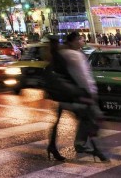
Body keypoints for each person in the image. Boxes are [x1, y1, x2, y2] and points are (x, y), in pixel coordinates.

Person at [45, 32, 106, 161]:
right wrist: (91, 93)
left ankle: (52, 146)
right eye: (80, 39)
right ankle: (87, 147)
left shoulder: (60, 54)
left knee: (59, 121)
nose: (82, 41)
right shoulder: (74, 55)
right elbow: (83, 77)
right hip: (75, 93)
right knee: (91, 117)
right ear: (73, 41)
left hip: (62, 94)